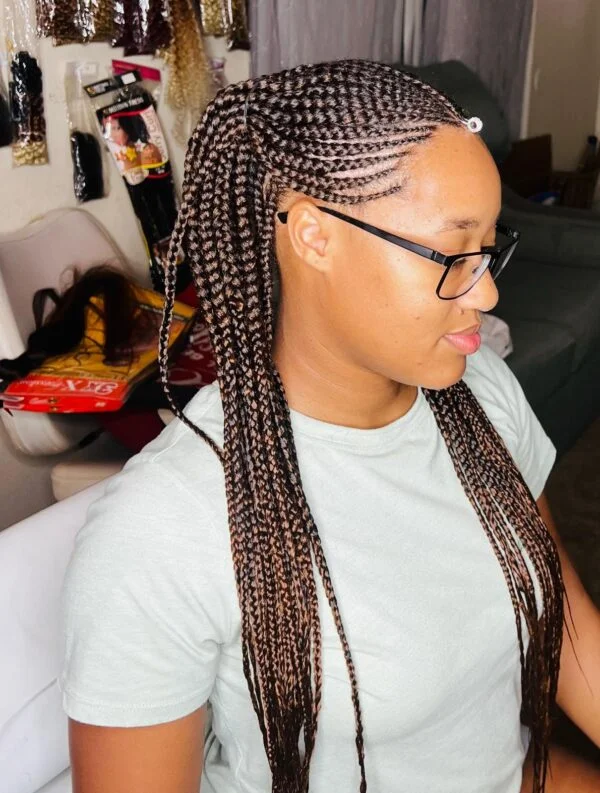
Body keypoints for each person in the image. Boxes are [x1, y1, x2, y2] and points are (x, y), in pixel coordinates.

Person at [59, 60, 600, 793]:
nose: (488, 292)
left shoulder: (481, 396)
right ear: (314, 235)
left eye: (489, 248)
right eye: (453, 253)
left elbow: (566, 627)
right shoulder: (165, 529)